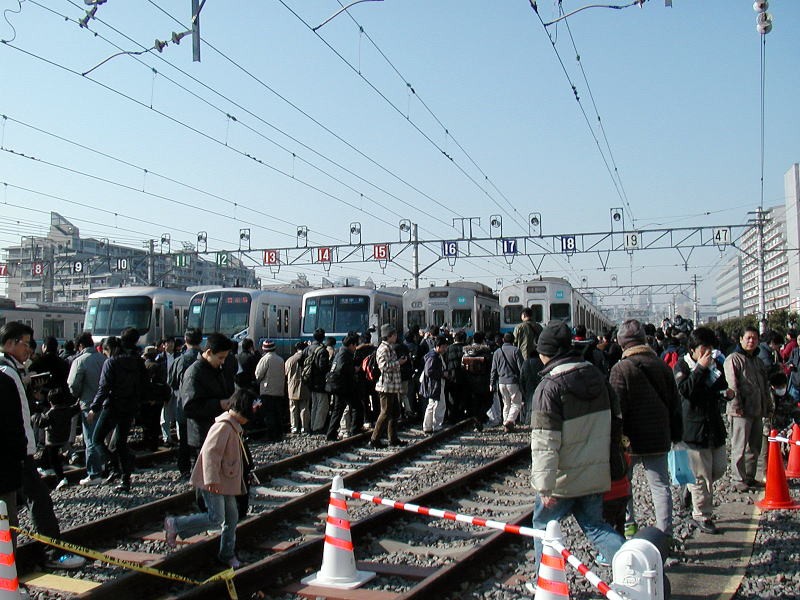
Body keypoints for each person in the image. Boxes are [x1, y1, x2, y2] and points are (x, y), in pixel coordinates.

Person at [529, 320, 625, 577]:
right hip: (594, 473)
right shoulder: (596, 376)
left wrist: (545, 485)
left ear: (546, 353)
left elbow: (544, 443)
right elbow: (616, 421)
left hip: (562, 479)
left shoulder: (549, 388)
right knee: (595, 526)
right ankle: (634, 563)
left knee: (542, 526)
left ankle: (545, 582)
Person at [0, 322, 86, 570]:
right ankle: (52, 553)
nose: (29, 349)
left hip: (17, 451)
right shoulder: (7, 373)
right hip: (17, 453)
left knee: (27, 504)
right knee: (35, 501)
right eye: (25, 344)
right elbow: (13, 419)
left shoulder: (12, 370)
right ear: (9, 343)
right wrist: (23, 450)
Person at [164, 389, 254, 569]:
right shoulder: (223, 427)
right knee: (216, 517)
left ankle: (227, 554)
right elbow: (210, 454)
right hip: (213, 481)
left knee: (231, 517)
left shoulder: (233, 426)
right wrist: (211, 479)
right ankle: (176, 524)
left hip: (226, 481)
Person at [609, 319, 681, 538]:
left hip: (629, 440)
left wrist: (613, 440)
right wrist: (677, 434)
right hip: (659, 436)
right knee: (660, 486)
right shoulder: (661, 366)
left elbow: (616, 409)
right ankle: (664, 532)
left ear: (622, 343)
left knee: (624, 484)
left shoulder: (621, 369)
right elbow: (674, 403)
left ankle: (629, 525)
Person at [674, 326, 731, 535]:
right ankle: (702, 515)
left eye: (710, 348)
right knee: (701, 477)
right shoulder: (683, 365)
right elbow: (685, 390)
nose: (707, 353)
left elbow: (719, 386)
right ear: (692, 349)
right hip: (693, 429)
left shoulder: (715, 365)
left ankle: (689, 490)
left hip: (714, 426)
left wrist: (726, 393)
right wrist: (700, 369)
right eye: (703, 348)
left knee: (718, 469)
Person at [89, 328, 148, 493]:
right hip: (130, 407)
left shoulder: (111, 362)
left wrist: (94, 408)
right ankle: (125, 479)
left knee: (97, 439)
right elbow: (144, 384)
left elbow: (104, 388)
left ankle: (114, 467)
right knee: (121, 443)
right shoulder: (137, 361)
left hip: (113, 406)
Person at [723, 326, 771, 492]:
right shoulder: (733, 359)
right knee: (739, 447)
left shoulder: (757, 361)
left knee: (754, 446)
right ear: (741, 339)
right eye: (748, 338)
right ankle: (738, 479)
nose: (751, 341)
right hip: (740, 412)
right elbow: (732, 385)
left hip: (756, 410)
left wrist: (767, 406)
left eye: (754, 338)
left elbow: (764, 384)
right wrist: (737, 407)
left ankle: (749, 477)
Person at [181, 333, 234, 468]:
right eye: (220, 357)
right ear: (209, 352)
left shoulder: (215, 369)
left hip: (215, 431)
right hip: (202, 434)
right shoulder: (194, 373)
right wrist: (219, 404)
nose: (223, 361)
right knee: (206, 478)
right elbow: (189, 407)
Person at [68, 331, 108, 486]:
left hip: (88, 405)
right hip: (104, 404)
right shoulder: (103, 358)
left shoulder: (80, 361)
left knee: (90, 439)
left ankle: (94, 474)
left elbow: (72, 384)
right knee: (100, 437)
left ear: (80, 345)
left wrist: (78, 394)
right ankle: (104, 466)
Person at [168, 328, 203, 479]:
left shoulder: (179, 360)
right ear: (200, 340)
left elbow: (172, 383)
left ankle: (184, 470)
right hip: (202, 406)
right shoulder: (205, 359)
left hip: (183, 405)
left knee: (184, 440)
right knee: (201, 439)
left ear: (185, 340)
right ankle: (199, 468)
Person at [32, 387, 80, 491]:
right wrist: (79, 400)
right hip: (64, 438)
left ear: (50, 401)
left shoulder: (50, 413)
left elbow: (41, 423)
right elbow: (76, 408)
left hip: (52, 441)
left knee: (54, 460)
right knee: (62, 450)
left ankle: (61, 478)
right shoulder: (68, 410)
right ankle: (70, 454)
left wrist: (35, 416)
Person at [369, 324, 408, 448]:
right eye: (394, 334)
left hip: (392, 385)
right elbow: (383, 366)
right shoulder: (383, 349)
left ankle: (393, 438)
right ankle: (374, 439)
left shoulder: (389, 347)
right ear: (389, 336)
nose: (396, 337)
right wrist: (398, 363)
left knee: (394, 412)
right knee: (385, 412)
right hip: (386, 385)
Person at [325, 333, 361, 441]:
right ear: (351, 345)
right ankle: (355, 431)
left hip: (337, 385)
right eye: (355, 345)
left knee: (338, 410)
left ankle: (331, 433)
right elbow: (342, 369)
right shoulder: (345, 354)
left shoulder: (339, 351)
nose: (355, 348)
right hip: (343, 386)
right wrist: (354, 370)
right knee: (357, 407)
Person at [489, 332, 524, 432]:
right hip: (513, 381)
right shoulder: (516, 351)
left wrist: (491, 383)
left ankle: (505, 423)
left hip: (501, 382)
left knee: (506, 403)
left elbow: (493, 369)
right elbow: (521, 368)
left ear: (503, 340)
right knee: (516, 403)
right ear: (513, 341)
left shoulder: (497, 352)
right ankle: (510, 421)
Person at [254, 339, 286, 442]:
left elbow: (258, 374)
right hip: (279, 391)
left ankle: (271, 436)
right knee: (278, 414)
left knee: (269, 414)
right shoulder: (281, 359)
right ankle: (279, 435)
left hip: (267, 391)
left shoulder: (265, 359)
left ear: (264, 348)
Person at [461, 331, 493, 431]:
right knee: (487, 402)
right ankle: (480, 418)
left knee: (475, 403)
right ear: (483, 340)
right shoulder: (486, 352)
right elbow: (490, 368)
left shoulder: (466, 352)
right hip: (483, 382)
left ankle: (477, 419)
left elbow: (462, 367)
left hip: (470, 382)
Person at [302, 328, 331, 434]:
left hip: (309, 381)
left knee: (314, 405)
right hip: (320, 382)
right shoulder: (322, 351)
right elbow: (323, 367)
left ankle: (312, 425)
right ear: (323, 337)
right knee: (322, 405)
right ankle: (318, 427)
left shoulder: (307, 349)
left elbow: (302, 362)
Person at [420, 335, 449, 434]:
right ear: (438, 346)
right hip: (435, 384)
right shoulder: (434, 357)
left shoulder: (433, 355)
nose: (445, 349)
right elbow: (429, 371)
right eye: (444, 347)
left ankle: (428, 426)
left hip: (433, 384)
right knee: (438, 405)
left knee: (432, 405)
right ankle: (436, 425)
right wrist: (442, 374)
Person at [157, 336, 182, 446]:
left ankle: (180, 437)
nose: (170, 344)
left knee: (178, 413)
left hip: (177, 387)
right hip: (165, 388)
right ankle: (166, 438)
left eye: (172, 342)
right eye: (167, 342)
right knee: (165, 415)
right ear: (163, 345)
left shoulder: (179, 356)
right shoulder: (160, 358)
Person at [285, 342, 310, 434]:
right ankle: (304, 427)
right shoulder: (307, 359)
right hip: (304, 385)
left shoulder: (290, 360)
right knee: (304, 408)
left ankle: (294, 427)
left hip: (292, 385)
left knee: (293, 407)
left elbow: (286, 373)